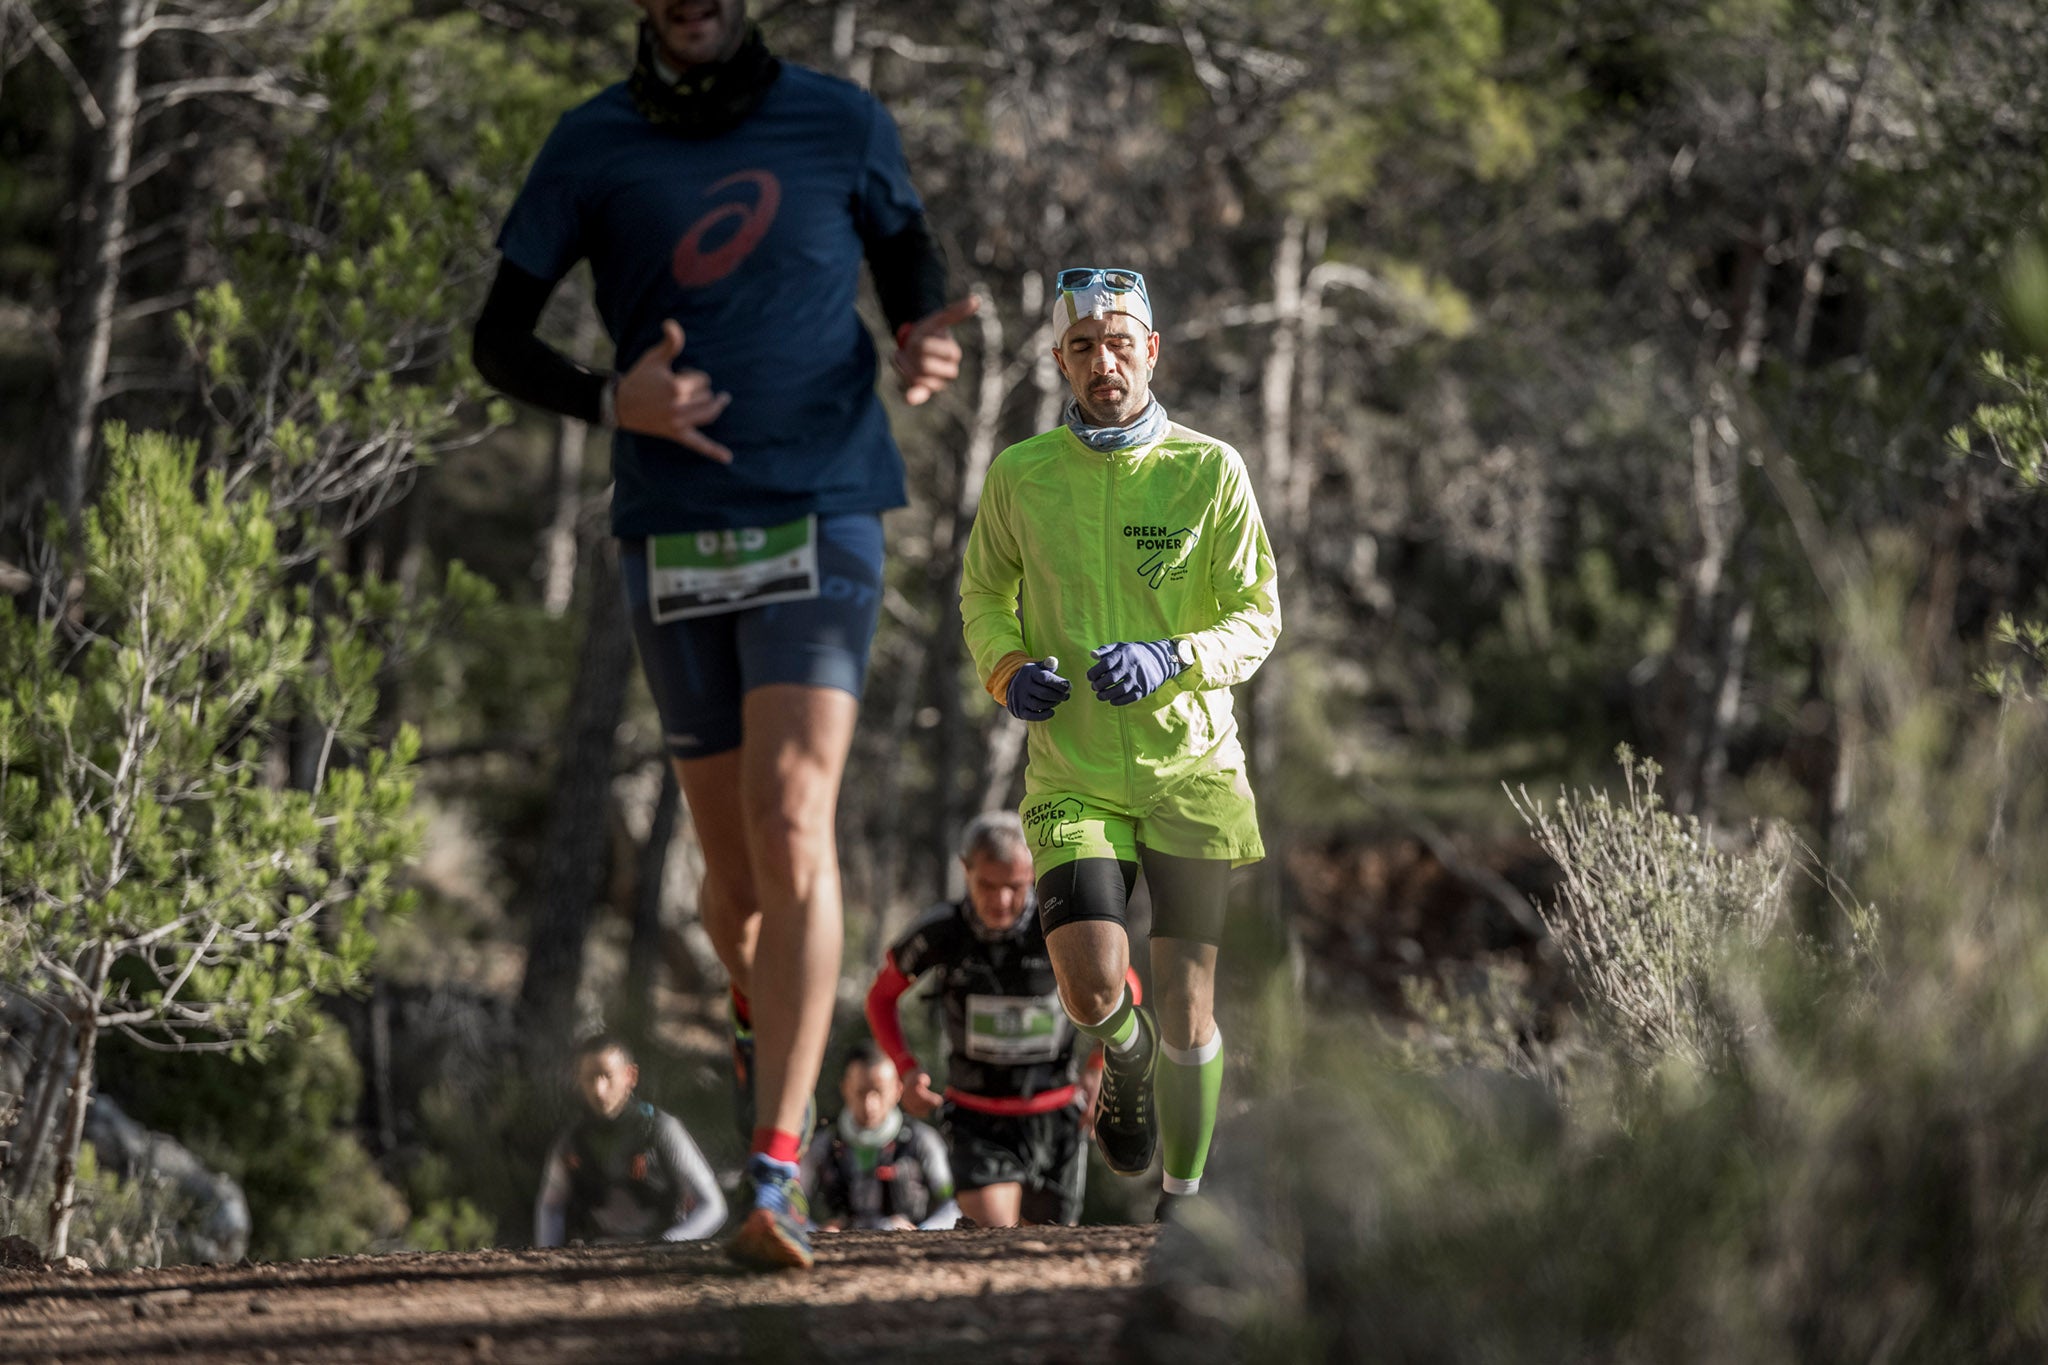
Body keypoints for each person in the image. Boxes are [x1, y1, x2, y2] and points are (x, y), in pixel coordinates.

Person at [474, 0, 977, 1271]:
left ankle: (776, 1171)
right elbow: (498, 336)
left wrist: (919, 337)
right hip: (674, 528)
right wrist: (607, 398)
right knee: (737, 895)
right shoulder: (588, 145)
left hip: (822, 509)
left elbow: (906, 251)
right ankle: (771, 1031)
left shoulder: (839, 118)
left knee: (795, 813)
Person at [957, 268, 1280, 1220]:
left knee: (1188, 1002)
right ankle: (1122, 1054)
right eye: (1084, 346)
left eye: (1120, 342)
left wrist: (1173, 654)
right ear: (1061, 360)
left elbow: (1258, 616)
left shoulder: (1209, 469)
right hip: (1076, 772)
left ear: (1151, 351)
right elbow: (982, 594)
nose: (1105, 361)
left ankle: (1182, 1200)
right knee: (1094, 985)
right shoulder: (1021, 474)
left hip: (1193, 771)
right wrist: (1009, 667)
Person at [865, 811, 1137, 1227]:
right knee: (992, 1235)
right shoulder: (942, 932)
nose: (1001, 901)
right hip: (977, 1117)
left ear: (1033, 875)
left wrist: (1100, 1067)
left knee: (1046, 1252)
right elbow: (881, 997)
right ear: (965, 870)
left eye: (1015, 886)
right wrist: (905, 1068)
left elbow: (1126, 989)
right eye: (987, 886)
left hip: (1055, 1114)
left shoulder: (1060, 927)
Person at [534, 1033, 727, 1247]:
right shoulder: (571, 1140)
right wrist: (547, 1254)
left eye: (607, 1076)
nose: (599, 1090)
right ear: (578, 1080)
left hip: (659, 1257)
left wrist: (667, 1244)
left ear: (630, 1076)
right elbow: (551, 1207)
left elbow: (713, 1206)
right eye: (590, 1078)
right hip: (593, 1257)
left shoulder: (661, 1129)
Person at [800, 1042, 959, 1231]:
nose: (870, 1104)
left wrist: (923, 1231)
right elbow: (790, 1203)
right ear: (845, 1089)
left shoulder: (922, 1141)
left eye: (879, 1092)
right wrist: (816, 1232)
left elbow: (953, 1203)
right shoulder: (822, 1145)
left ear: (897, 1090)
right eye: (860, 1092)